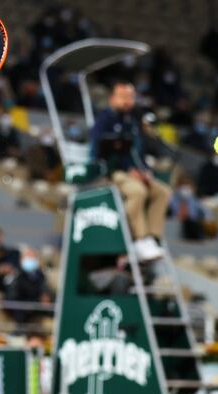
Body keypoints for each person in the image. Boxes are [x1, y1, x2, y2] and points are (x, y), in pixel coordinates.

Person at [89, 81, 171, 262]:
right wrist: (128, 170)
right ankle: (139, 239)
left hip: (135, 172)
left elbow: (138, 151)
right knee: (138, 191)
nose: (127, 101)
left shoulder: (133, 120)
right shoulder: (105, 120)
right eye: (123, 97)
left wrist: (145, 171)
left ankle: (152, 237)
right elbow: (99, 152)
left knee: (162, 191)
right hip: (113, 172)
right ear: (112, 99)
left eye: (130, 97)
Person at [4, 247, 52, 333]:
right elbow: (12, 296)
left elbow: (45, 289)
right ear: (22, 259)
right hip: (21, 309)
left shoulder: (40, 274)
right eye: (28, 257)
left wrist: (45, 295)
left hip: (37, 307)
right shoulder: (16, 275)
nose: (31, 260)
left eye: (33, 257)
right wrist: (35, 301)